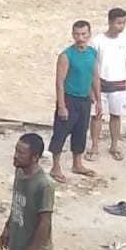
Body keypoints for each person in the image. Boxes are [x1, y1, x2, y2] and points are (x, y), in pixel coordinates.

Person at [48, 21, 100, 183]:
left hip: (84, 99)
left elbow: (95, 76)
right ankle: (55, 166)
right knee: (61, 132)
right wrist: (61, 105)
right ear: (72, 35)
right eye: (77, 34)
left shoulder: (93, 53)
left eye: (84, 34)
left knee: (80, 131)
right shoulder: (66, 55)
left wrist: (98, 99)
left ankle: (77, 164)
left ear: (89, 34)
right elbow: (59, 81)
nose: (80, 37)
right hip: (69, 98)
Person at [91, 7, 126, 161]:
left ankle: (114, 146)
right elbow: (92, 65)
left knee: (116, 116)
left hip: (119, 84)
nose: (121, 26)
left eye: (124, 23)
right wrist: (91, 88)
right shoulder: (98, 41)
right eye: (119, 23)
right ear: (110, 22)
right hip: (101, 83)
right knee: (97, 115)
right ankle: (94, 146)